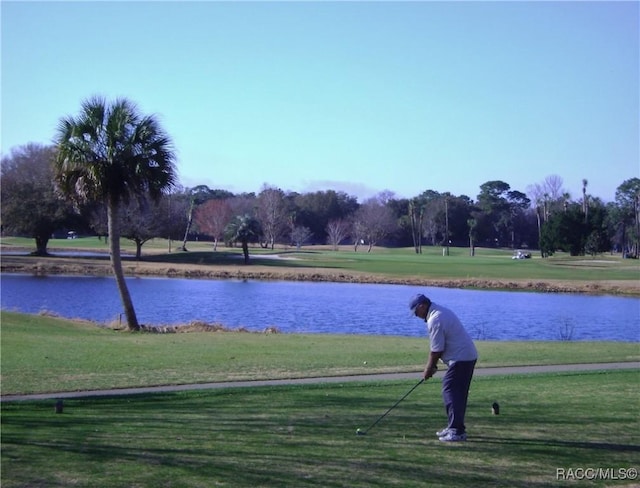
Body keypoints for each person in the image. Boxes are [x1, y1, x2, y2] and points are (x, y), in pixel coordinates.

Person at [409, 293, 478, 442]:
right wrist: (433, 365)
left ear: (422, 306)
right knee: (457, 393)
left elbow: (436, 350)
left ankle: (456, 431)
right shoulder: (439, 312)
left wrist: (429, 368)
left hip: (461, 358)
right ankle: (455, 426)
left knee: (450, 391)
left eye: (416, 311)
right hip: (465, 357)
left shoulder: (435, 319)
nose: (416, 315)